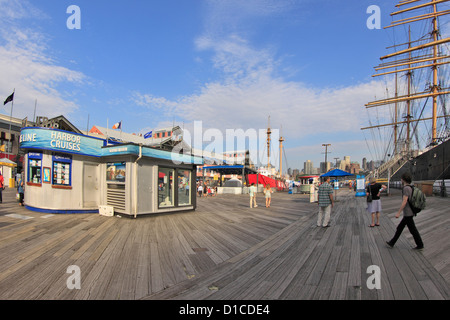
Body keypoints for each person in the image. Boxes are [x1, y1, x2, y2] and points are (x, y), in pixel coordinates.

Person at [386, 172, 424, 250]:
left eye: (401, 179)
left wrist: (398, 212)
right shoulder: (410, 187)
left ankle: (420, 245)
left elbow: (405, 201)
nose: (401, 180)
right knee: (400, 228)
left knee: (412, 230)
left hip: (408, 212)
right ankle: (392, 242)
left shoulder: (406, 188)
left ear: (403, 180)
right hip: (409, 212)